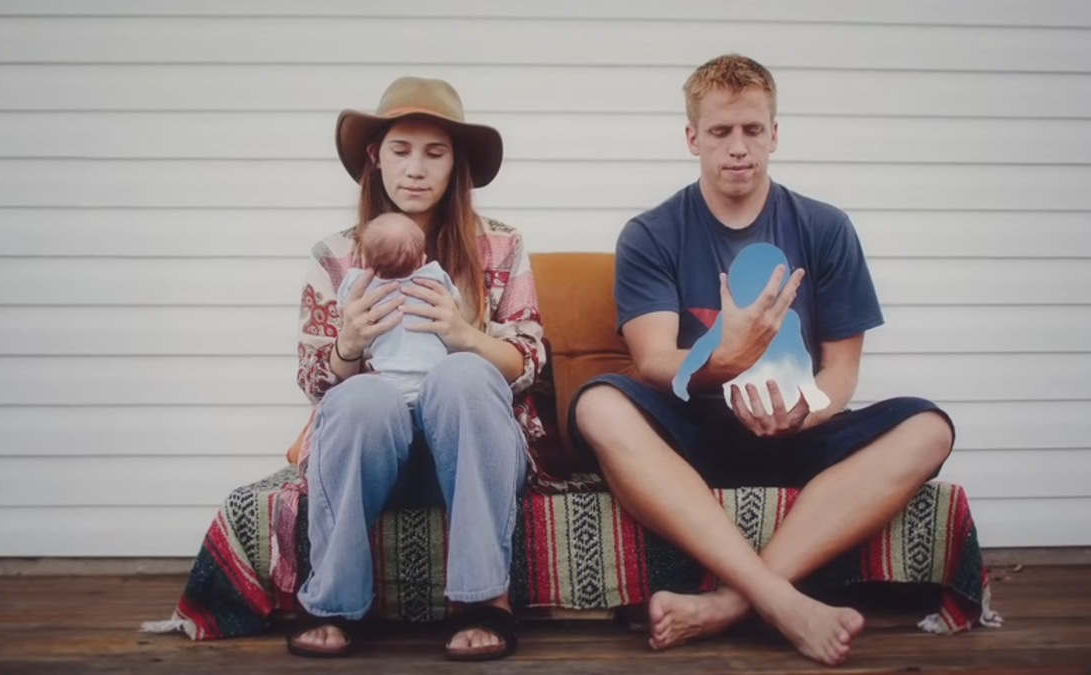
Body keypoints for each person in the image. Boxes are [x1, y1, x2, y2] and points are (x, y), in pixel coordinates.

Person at [568, 54, 955, 666]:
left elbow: (842, 374)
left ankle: (730, 604)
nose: (738, 148)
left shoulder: (826, 229)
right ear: (693, 137)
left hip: (800, 432)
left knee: (929, 428)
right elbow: (651, 363)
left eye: (753, 130)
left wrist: (805, 411)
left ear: (775, 133)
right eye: (721, 132)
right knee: (598, 405)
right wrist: (725, 359)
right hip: (692, 433)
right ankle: (782, 600)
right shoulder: (652, 233)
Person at [287, 76, 546, 662]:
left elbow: (529, 362)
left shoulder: (499, 247)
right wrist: (349, 344)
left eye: (435, 153)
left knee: (462, 375)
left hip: (473, 448)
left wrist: (461, 335)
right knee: (362, 398)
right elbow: (314, 383)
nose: (416, 169)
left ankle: (485, 600)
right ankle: (332, 602)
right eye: (401, 151)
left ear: (456, 166)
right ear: (375, 158)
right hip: (376, 452)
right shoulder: (335, 255)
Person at [335, 212, 460, 405]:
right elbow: (455, 302)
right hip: (433, 375)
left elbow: (344, 309)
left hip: (386, 379)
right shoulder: (434, 275)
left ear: (364, 260)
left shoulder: (355, 282)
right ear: (422, 260)